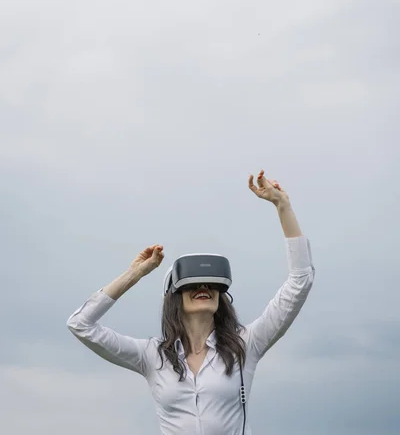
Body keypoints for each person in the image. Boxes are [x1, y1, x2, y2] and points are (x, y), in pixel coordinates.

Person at [67, 170, 315, 435]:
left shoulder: (245, 345)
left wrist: (282, 206)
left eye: (212, 284)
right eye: (194, 284)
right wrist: (135, 274)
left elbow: (300, 282)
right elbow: (81, 324)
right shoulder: (152, 356)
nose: (204, 288)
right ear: (174, 295)